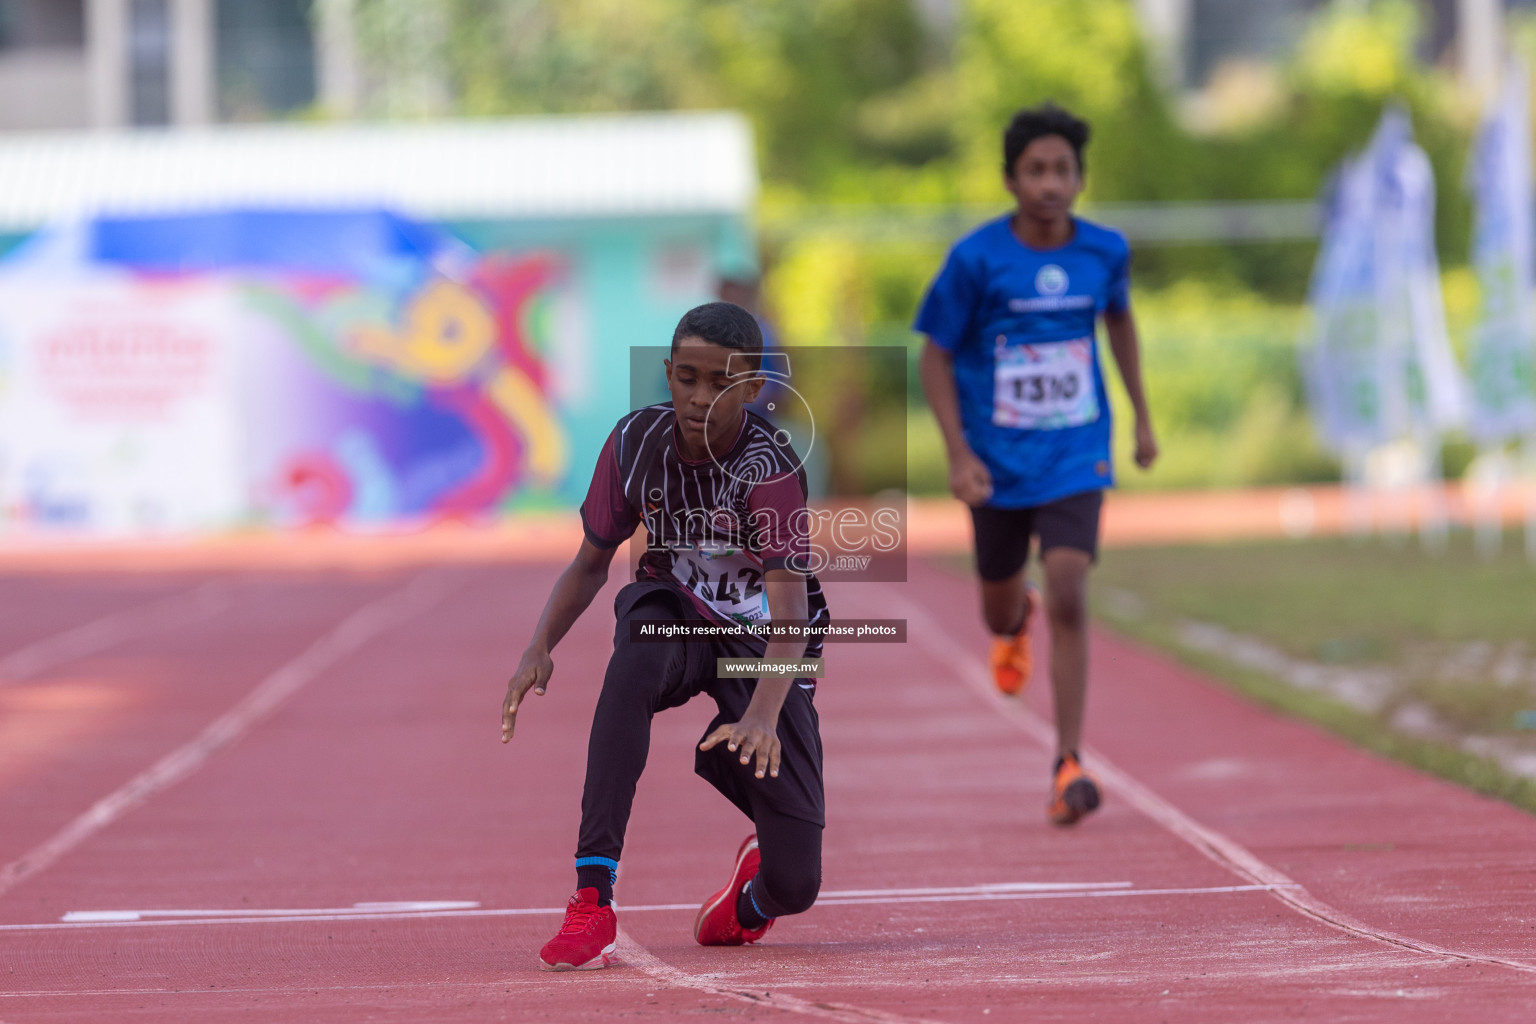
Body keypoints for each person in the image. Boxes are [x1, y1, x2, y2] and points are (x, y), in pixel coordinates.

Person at [501, 301, 829, 971]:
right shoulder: (633, 445)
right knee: (633, 661)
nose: (701, 398)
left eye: (721, 383)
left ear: (754, 386)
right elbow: (592, 561)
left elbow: (791, 612)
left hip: (761, 641)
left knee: (798, 882)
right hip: (674, 612)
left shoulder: (770, 470)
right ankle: (592, 897)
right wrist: (540, 646)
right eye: (687, 378)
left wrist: (765, 714)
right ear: (668, 374)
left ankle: (750, 901)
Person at [915, 103, 1158, 826]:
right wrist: (958, 453)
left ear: (1080, 178)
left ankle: (1068, 759)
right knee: (998, 610)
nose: (1051, 183)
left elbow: (1118, 319)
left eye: (1063, 170)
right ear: (1011, 179)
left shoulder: (1104, 252)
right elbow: (934, 352)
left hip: (1076, 452)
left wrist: (1142, 417)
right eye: (1036, 170)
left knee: (1071, 590)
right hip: (995, 463)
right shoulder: (976, 259)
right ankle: (1011, 622)